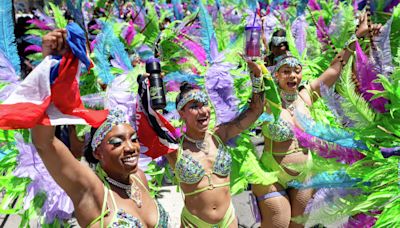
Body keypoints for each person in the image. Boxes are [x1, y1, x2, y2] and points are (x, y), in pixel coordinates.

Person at [251, 13, 382, 228]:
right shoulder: (268, 101)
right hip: (272, 174)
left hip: (305, 175)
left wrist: (356, 37)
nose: (292, 76)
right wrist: (256, 69)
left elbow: (333, 68)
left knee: (297, 225)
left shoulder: (306, 96)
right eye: (286, 72)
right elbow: (256, 82)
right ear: (275, 76)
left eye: (296, 71)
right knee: (278, 222)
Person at [31, 29, 169, 227]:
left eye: (133, 138)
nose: (130, 147)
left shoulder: (139, 178)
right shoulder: (91, 190)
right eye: (117, 142)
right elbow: (45, 143)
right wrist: (50, 67)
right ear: (97, 153)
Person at [164, 59, 266, 227]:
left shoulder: (220, 134)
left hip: (228, 219)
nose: (203, 111)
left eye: (205, 105)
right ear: (182, 113)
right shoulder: (174, 148)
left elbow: (256, 110)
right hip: (194, 223)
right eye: (194, 106)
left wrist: (256, 76)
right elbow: (147, 129)